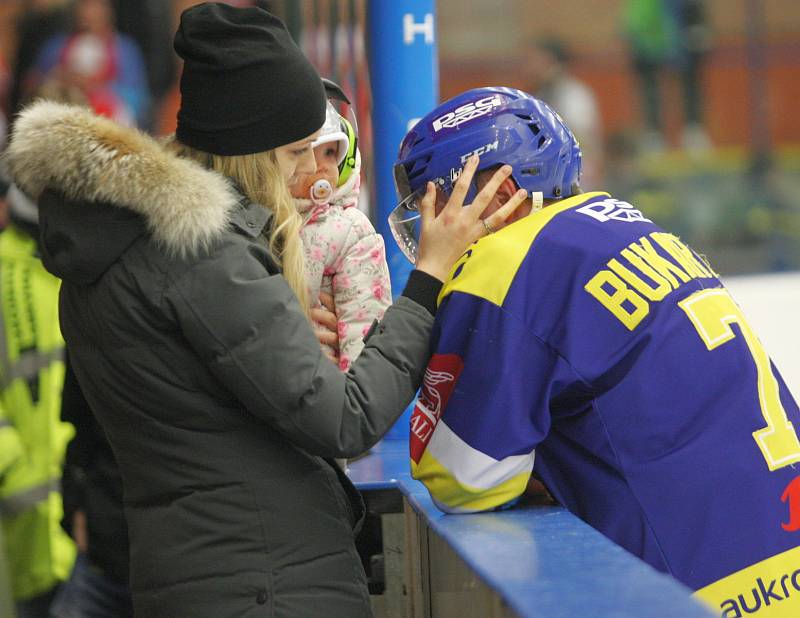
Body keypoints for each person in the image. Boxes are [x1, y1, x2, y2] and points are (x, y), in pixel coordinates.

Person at [4, 4, 526, 616]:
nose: (313, 171)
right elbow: (347, 421)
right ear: (254, 150)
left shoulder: (120, 242)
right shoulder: (204, 255)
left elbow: (190, 378)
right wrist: (429, 279)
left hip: (191, 571)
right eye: (298, 151)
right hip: (268, 584)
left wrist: (280, 311)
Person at [390, 86, 800, 616]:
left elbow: (462, 477)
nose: (431, 226)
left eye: (435, 201)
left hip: (697, 586)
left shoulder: (502, 262)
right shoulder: (632, 225)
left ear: (497, 193)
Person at [0, 184, 77, 618]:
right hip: (32, 523)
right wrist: (14, 473)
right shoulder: (5, 270)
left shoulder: (81, 265)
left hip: (94, 522)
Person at [291, 81, 391, 372]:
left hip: (324, 383)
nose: (320, 167)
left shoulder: (349, 231)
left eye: (331, 154)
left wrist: (349, 393)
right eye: (307, 153)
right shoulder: (262, 219)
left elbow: (364, 321)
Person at [21, 0, 150, 126]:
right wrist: (59, 79)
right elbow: (32, 86)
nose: (88, 14)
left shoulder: (125, 50)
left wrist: (96, 86)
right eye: (84, 6)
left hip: (106, 125)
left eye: (96, 7)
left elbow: (137, 98)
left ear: (108, 11)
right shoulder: (55, 47)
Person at [527, 37, 603, 188]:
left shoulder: (574, 94)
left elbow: (582, 138)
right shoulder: (540, 93)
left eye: (533, 59)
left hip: (575, 174)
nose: (527, 66)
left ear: (549, 60)